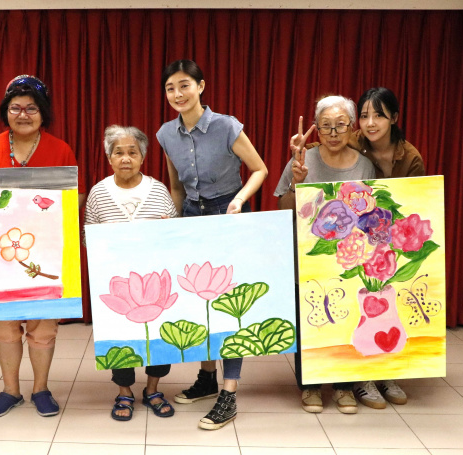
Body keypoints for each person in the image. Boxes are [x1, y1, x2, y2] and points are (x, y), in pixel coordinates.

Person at [157, 59, 268, 430]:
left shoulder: (225, 125)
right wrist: (174, 223)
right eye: (170, 87)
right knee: (198, 302)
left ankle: (229, 392)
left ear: (201, 86)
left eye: (184, 85)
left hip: (230, 214)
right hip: (191, 215)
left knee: (229, 305)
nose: (177, 94)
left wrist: (239, 201)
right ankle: (206, 378)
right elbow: (176, 186)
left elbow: (260, 169)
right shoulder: (165, 134)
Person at [0, 75, 83, 419]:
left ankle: (40, 388)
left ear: (43, 113)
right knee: (4, 324)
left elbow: (75, 199)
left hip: (45, 251)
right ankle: (11, 390)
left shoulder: (60, 148)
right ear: (6, 112)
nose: (23, 114)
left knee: (43, 324)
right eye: (15, 108)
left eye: (31, 108)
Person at [275, 94, 376, 414]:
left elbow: (373, 211)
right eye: (325, 126)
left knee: (346, 319)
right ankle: (310, 387)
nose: (333, 133)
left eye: (340, 125)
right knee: (311, 321)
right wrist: (297, 182)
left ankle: (344, 386)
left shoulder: (365, 164)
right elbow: (283, 210)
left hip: (349, 256)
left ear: (352, 127)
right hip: (308, 258)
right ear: (316, 128)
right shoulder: (302, 159)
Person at [84, 125, 179, 421]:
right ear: (109, 158)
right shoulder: (99, 193)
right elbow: (88, 238)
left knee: (158, 337)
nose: (125, 158)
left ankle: (152, 389)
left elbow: (175, 235)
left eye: (132, 152)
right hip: (118, 285)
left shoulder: (159, 190)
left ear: (142, 158)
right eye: (118, 152)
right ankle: (124, 391)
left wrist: (166, 230)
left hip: (154, 284)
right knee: (119, 336)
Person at [350, 87, 424, 409]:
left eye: (378, 114)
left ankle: (387, 372)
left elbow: (416, 203)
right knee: (362, 306)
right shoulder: (352, 142)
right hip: (356, 237)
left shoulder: (410, 157)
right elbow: (320, 148)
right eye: (364, 115)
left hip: (395, 240)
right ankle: (361, 378)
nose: (370, 122)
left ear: (394, 117)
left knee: (391, 305)